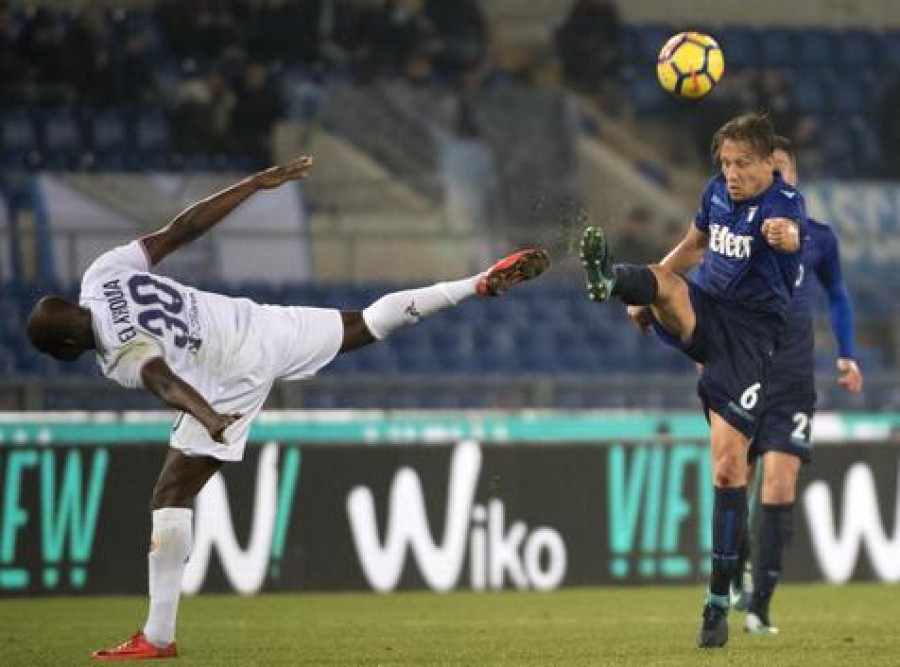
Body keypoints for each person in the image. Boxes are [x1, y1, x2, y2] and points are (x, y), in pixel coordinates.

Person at [26, 155, 549, 661]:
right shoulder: (102, 275)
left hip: (227, 374)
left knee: (171, 492)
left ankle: (158, 636)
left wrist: (208, 416)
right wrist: (252, 184)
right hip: (253, 322)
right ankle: (471, 284)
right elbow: (183, 229)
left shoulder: (117, 351)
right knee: (365, 323)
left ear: (67, 349)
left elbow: (162, 381)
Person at [578, 112, 805, 649]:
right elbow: (694, 245)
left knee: (728, 469)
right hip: (709, 311)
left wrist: (785, 237)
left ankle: (717, 601)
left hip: (750, 340)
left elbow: (791, 236)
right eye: (725, 162)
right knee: (663, 280)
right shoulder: (716, 194)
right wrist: (646, 291)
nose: (731, 172)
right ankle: (609, 278)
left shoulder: (783, 205)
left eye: (742, 163)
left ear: (767, 162)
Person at [731, 136, 863, 635]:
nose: (779, 180)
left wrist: (846, 352)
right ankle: (735, 569)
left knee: (781, 483)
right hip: (743, 370)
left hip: (792, 379)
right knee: (733, 479)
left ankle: (761, 605)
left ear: (795, 177)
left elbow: (838, 293)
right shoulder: (735, 232)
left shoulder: (820, 237)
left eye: (785, 171)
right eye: (772, 172)